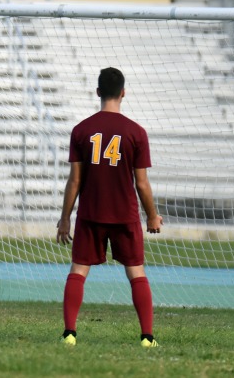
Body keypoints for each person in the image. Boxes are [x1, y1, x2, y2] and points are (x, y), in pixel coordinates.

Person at [56, 67, 163, 348]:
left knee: (78, 270)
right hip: (124, 214)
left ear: (98, 92)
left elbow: (75, 179)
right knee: (136, 272)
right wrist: (152, 216)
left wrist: (65, 218)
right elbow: (141, 183)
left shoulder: (81, 130)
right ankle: (147, 337)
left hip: (91, 213)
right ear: (123, 93)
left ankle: (69, 333)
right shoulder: (136, 133)